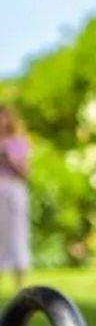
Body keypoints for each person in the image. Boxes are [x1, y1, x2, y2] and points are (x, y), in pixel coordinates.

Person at [0, 106, 30, 295]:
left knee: (17, 234)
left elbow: (25, 172)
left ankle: (19, 284)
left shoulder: (18, 142)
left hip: (13, 190)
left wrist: (8, 160)